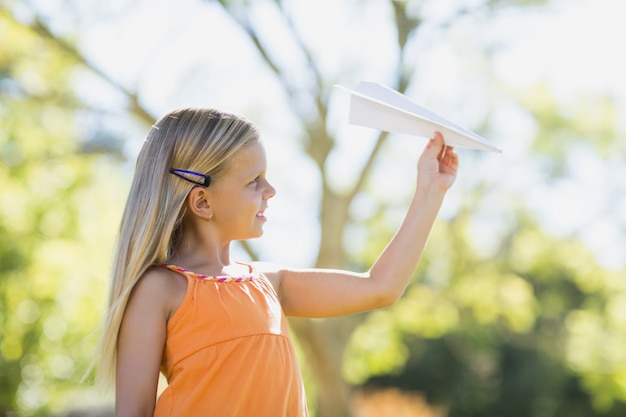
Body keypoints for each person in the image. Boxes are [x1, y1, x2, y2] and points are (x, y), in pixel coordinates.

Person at [94, 107, 458, 416]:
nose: (270, 191)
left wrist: (430, 190)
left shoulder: (269, 283)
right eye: (254, 181)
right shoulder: (159, 290)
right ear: (203, 202)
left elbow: (380, 287)